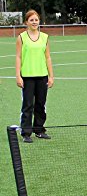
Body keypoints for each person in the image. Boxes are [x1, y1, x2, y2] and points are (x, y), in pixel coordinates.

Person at [15, 9, 55, 143]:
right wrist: (18, 76)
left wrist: (51, 76)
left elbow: (48, 57)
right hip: (27, 76)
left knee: (40, 104)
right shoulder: (21, 37)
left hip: (42, 75)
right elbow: (18, 57)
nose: (34, 22)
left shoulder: (45, 37)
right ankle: (26, 132)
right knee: (27, 104)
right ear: (26, 22)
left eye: (36, 20)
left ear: (39, 21)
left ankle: (39, 129)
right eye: (31, 20)